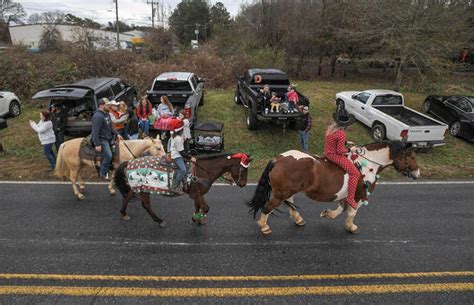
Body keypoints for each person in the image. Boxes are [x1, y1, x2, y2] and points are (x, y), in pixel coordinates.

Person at [324, 107, 359, 210]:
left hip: (327, 153)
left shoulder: (330, 129)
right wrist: (350, 150)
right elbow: (340, 151)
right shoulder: (341, 133)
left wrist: (346, 143)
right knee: (355, 173)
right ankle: (351, 198)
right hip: (334, 156)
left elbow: (333, 141)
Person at [91, 98, 121, 180]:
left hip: (109, 138)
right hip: (102, 139)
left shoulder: (106, 114)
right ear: (102, 105)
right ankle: (102, 173)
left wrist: (117, 134)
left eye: (110, 105)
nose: (110, 106)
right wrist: (97, 144)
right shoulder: (97, 117)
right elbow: (95, 132)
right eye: (108, 105)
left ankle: (110, 168)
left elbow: (111, 126)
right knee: (108, 155)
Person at [169, 120, 193, 193]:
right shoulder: (178, 139)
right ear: (181, 130)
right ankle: (174, 186)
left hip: (177, 153)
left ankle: (184, 184)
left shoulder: (176, 135)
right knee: (183, 170)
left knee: (185, 167)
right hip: (177, 156)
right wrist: (191, 157)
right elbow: (181, 152)